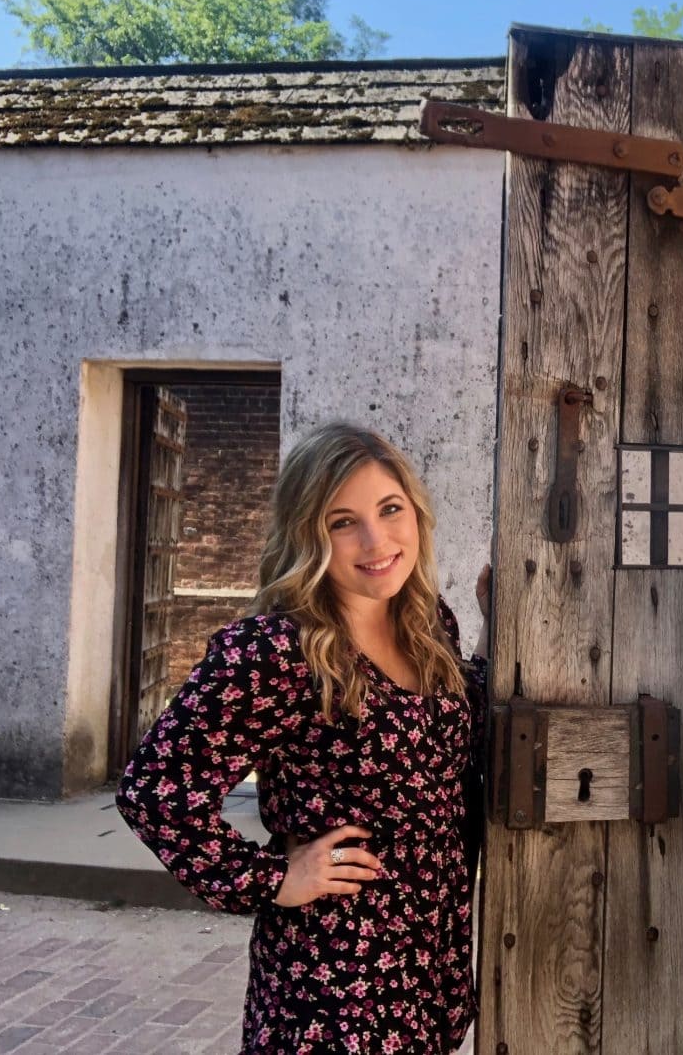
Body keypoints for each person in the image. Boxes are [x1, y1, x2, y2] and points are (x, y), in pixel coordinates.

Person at [118, 422, 488, 1055]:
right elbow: (155, 791)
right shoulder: (274, 651)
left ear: (416, 514)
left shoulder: (429, 624)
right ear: (306, 533)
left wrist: (498, 624)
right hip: (336, 975)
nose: (376, 540)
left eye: (389, 509)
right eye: (343, 522)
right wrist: (270, 880)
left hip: (430, 955)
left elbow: (447, 733)